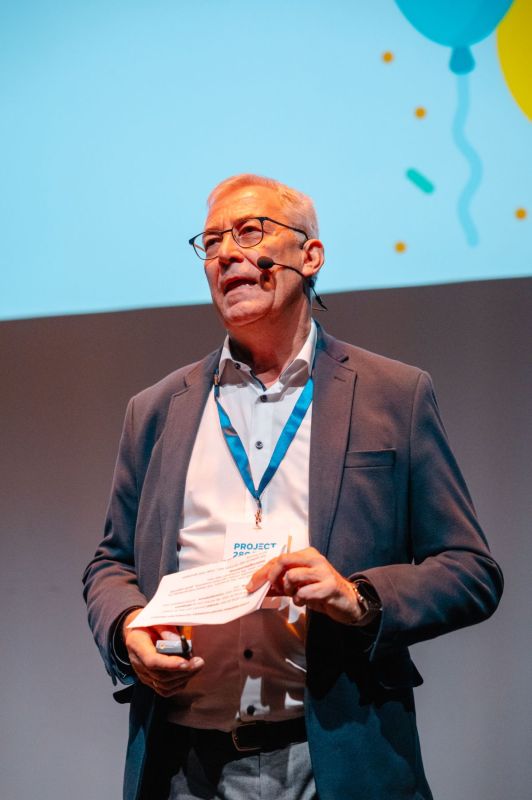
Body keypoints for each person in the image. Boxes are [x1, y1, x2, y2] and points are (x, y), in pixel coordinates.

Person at [83, 174, 503, 800]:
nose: (226, 254)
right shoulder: (156, 410)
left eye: (249, 232)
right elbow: (110, 564)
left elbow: (471, 571)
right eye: (212, 242)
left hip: (336, 760)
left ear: (310, 256)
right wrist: (127, 627)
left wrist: (358, 599)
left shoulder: (394, 395)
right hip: (184, 767)